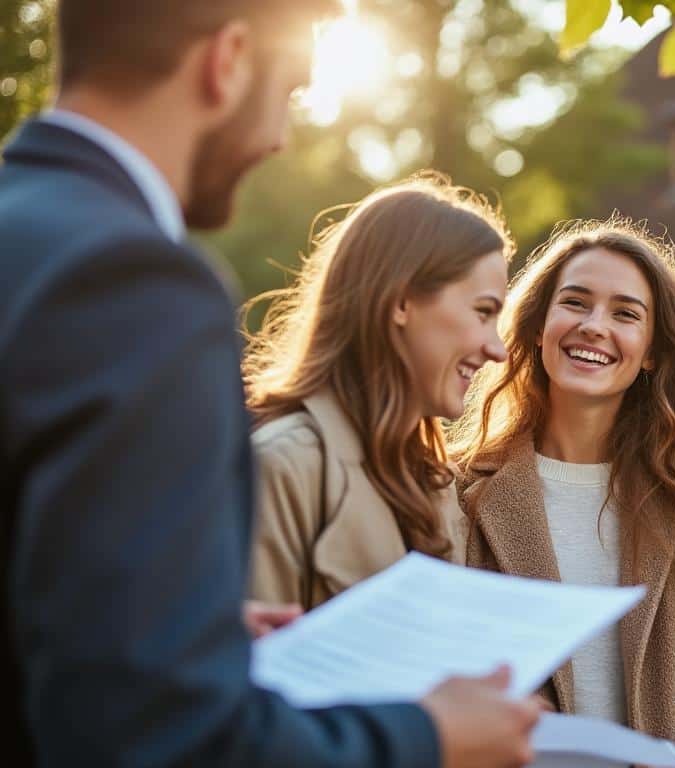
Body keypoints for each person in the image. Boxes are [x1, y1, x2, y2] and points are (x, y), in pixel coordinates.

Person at [0, 2, 538, 765]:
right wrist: (429, 736)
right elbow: (150, 731)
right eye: (290, 90)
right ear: (228, 61)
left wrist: (199, 641)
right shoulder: (133, 284)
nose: (281, 139)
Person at [453, 219, 675, 768]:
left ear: (652, 352)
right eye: (575, 303)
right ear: (539, 326)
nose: (594, 327)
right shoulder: (461, 493)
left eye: (625, 314)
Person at [244, 174, 509, 607]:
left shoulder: (434, 482)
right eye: (483, 312)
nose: (496, 350)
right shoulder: (282, 467)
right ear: (400, 301)